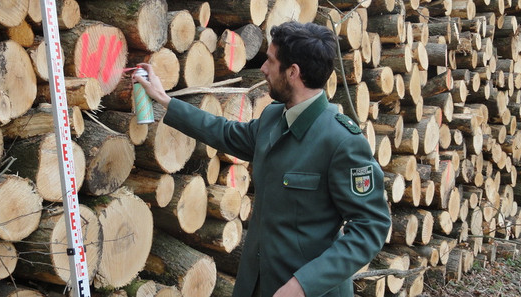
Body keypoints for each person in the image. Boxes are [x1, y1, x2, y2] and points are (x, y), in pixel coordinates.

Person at [134, 21, 391, 297]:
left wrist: (303, 284)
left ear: (293, 72)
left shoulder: (343, 142)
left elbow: (371, 227)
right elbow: (224, 132)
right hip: (255, 285)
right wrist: (164, 99)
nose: (264, 69)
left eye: (270, 61)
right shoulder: (273, 117)